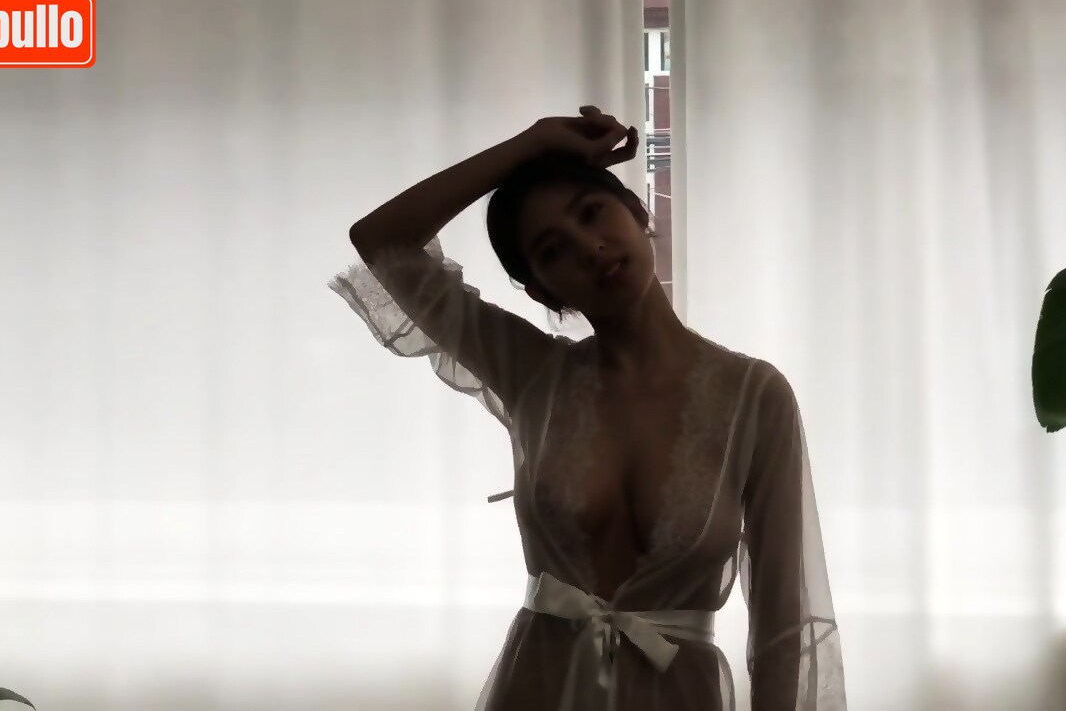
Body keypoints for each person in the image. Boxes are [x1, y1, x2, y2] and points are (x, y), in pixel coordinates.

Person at [329, 106, 846, 710]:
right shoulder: (533, 375)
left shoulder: (755, 396)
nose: (589, 247)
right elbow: (382, 241)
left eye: (592, 212)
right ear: (543, 291)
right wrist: (531, 144)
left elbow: (784, 625)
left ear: (638, 213)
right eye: (553, 250)